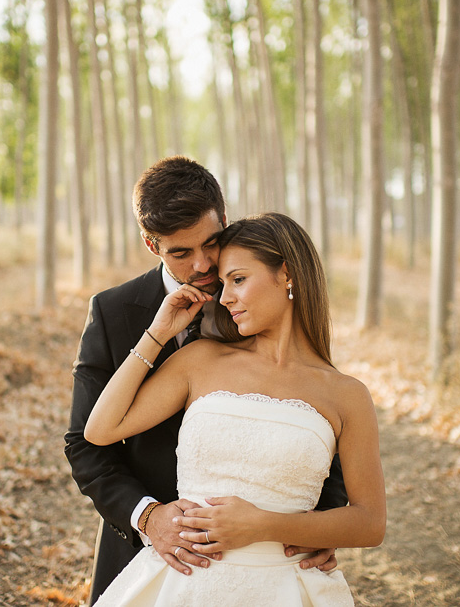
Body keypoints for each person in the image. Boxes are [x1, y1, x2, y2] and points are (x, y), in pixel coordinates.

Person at [65, 157, 348, 604]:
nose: (202, 265)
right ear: (151, 244)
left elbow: (314, 417)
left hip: (271, 559)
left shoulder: (263, 298)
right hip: (153, 555)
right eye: (180, 252)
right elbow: (85, 442)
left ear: (225, 220)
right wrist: (149, 517)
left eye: (211, 243)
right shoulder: (112, 312)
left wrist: (321, 522)